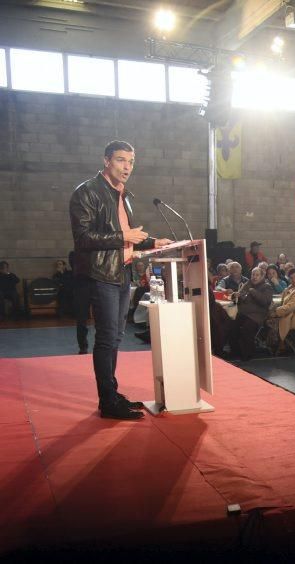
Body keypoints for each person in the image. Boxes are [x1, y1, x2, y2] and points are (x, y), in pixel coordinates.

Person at [69, 140, 172, 420]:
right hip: (101, 273)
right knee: (106, 339)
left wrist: (151, 241)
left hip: (122, 272)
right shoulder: (87, 192)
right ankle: (107, 402)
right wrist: (125, 237)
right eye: (120, 160)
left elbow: (126, 235)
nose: (127, 167)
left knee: (115, 337)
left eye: (131, 162)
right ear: (106, 161)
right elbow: (83, 238)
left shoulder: (124, 196)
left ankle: (111, 394)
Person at [228, 266, 273, 361]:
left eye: (257, 275)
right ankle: (235, 352)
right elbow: (239, 296)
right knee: (231, 326)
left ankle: (247, 354)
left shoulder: (267, 286)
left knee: (246, 329)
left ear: (262, 277)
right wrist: (235, 295)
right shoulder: (248, 284)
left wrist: (253, 291)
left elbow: (265, 302)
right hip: (244, 314)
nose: (254, 277)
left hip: (257, 315)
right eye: (253, 274)